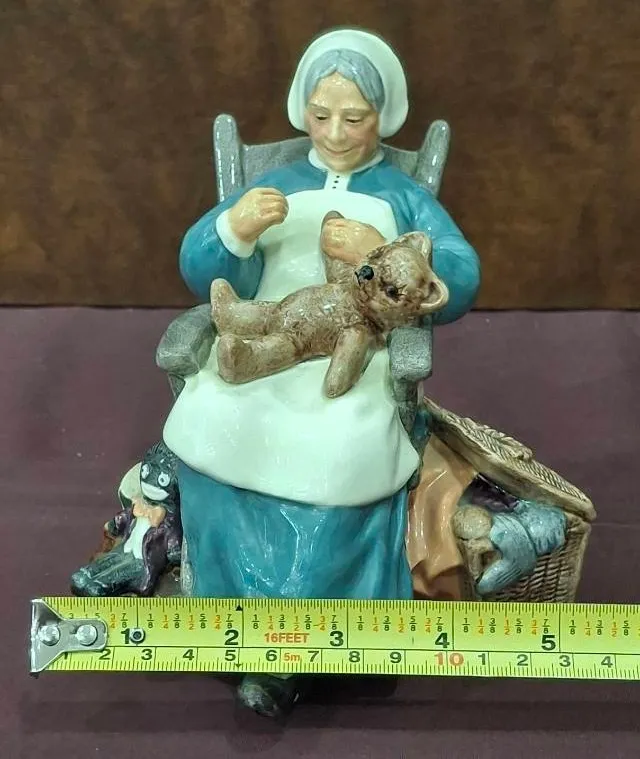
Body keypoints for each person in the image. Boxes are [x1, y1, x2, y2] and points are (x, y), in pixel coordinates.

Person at [161, 27, 481, 716]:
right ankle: (231, 619)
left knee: (338, 446)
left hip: (352, 360)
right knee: (219, 419)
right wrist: (236, 229)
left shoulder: (403, 196)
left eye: (355, 118)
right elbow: (197, 261)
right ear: (302, 109)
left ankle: (306, 642)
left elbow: (458, 275)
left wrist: (383, 248)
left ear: (381, 117)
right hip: (272, 339)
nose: (336, 133)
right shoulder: (275, 181)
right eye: (321, 114)